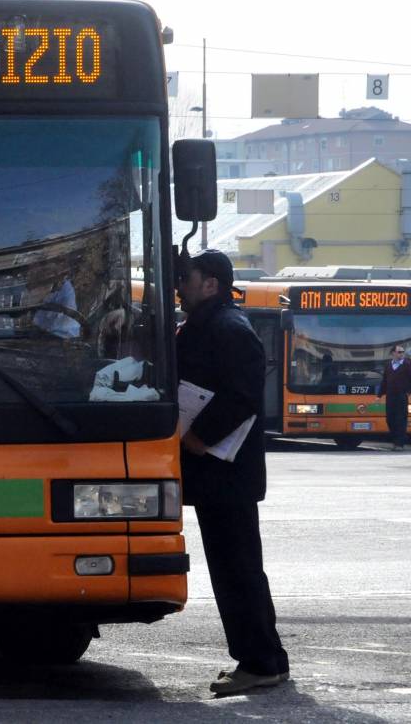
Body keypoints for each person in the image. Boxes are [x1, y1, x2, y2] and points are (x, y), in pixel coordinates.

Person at [175, 249, 289, 695]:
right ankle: (266, 660)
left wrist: (199, 436)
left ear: (212, 284)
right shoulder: (207, 325)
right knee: (236, 569)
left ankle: (260, 662)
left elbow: (242, 396)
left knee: (238, 570)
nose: (181, 286)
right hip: (214, 475)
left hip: (226, 472)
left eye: (188, 278)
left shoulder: (230, 328)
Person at [376, 343, 411, 450]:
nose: (402, 354)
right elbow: (384, 381)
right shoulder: (388, 365)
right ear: (393, 353)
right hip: (390, 396)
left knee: (400, 419)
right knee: (390, 419)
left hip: (401, 396)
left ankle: (399, 444)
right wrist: (379, 395)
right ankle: (396, 440)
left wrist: (408, 392)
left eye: (402, 352)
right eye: (399, 352)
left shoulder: (407, 365)